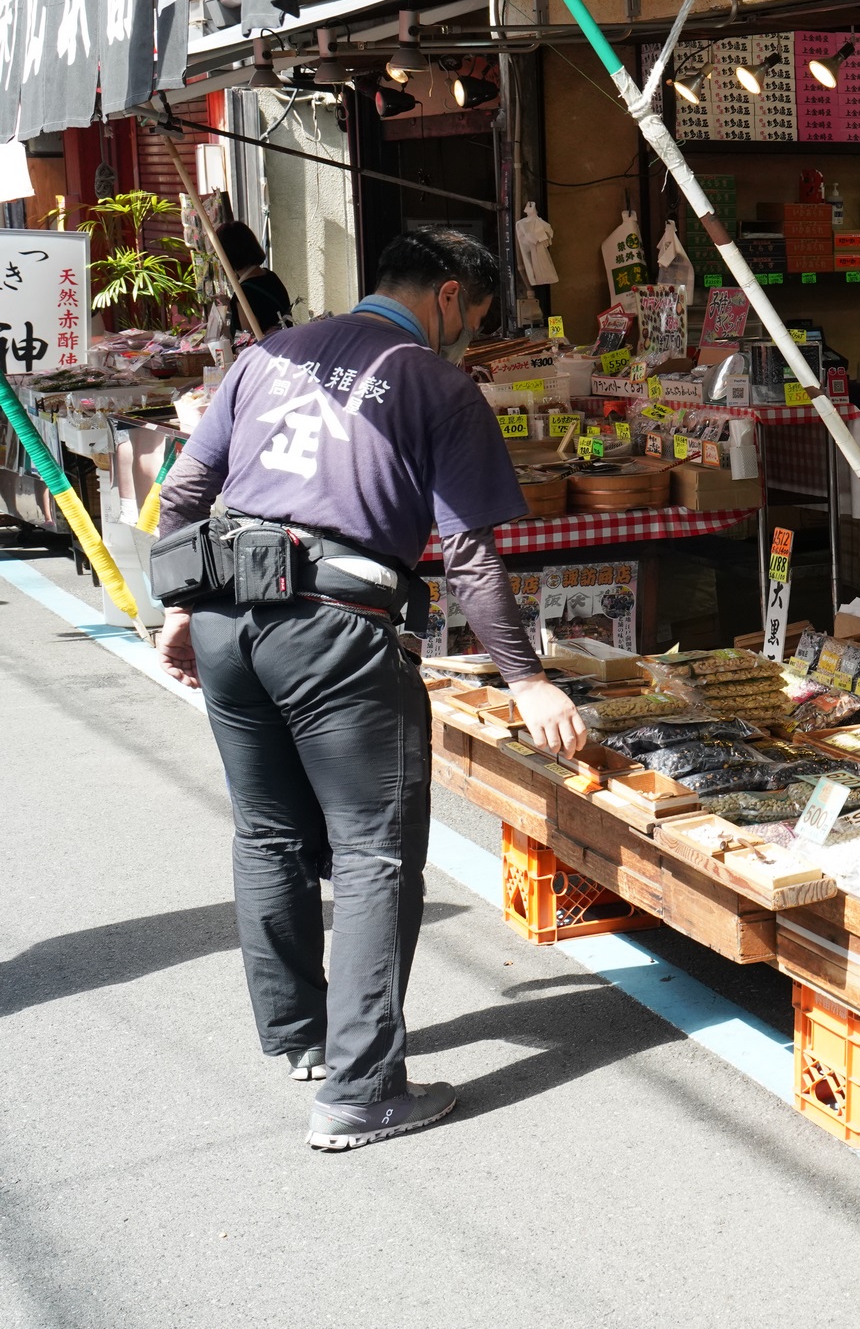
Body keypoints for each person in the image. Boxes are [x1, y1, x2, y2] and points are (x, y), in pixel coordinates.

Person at [154, 227, 584, 1152]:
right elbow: (468, 555)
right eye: (473, 315)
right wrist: (528, 677)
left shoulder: (267, 355)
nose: (469, 334)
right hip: (338, 632)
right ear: (447, 298)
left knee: (266, 832)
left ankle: (302, 1036)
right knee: (372, 854)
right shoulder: (436, 383)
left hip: (231, 615)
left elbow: (185, 491)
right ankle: (360, 1092)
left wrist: (180, 605)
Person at [214, 219, 294, 336]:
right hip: (287, 344)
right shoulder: (270, 276)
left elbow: (248, 340)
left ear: (227, 255)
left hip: (269, 351)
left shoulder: (244, 294)